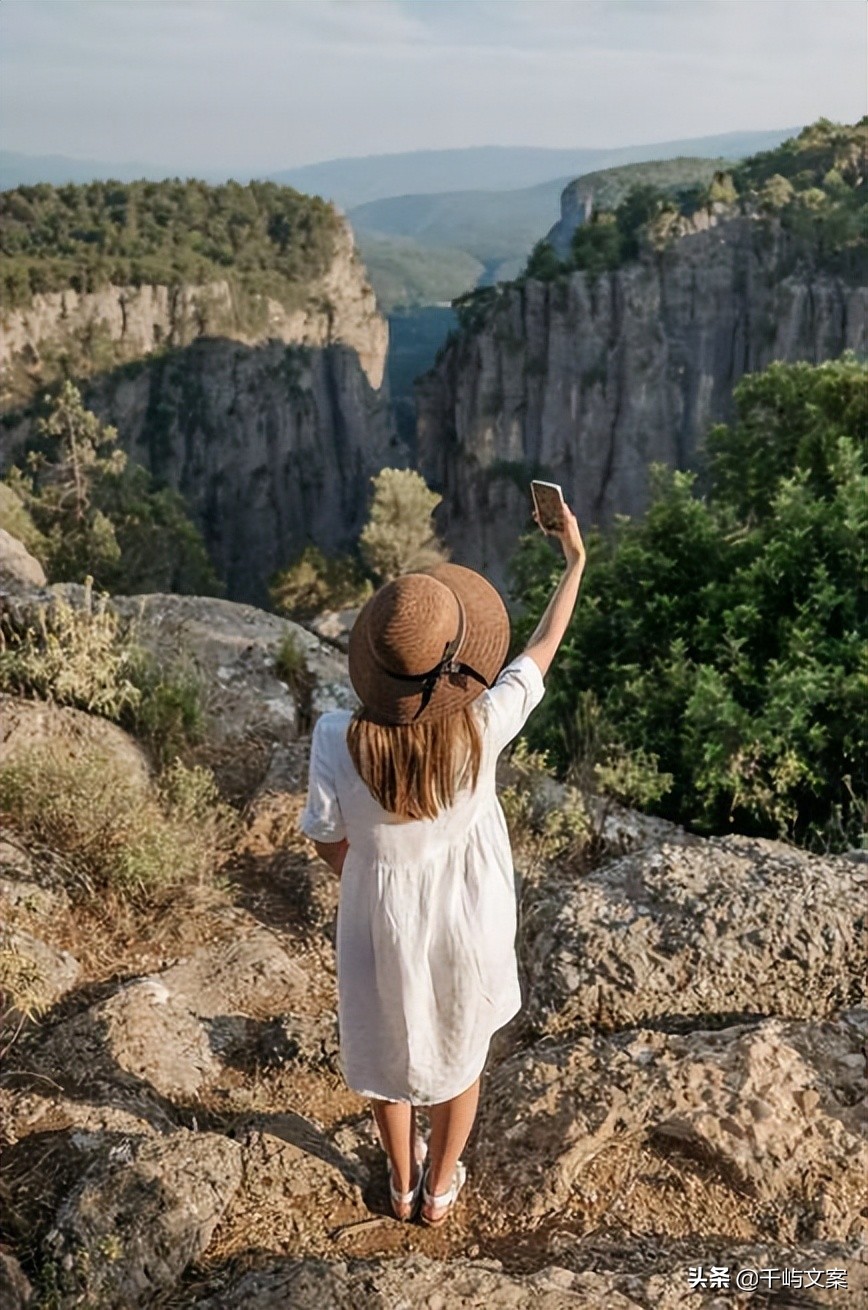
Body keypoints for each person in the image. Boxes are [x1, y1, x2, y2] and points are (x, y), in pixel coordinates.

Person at [298, 500, 586, 1225]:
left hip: (374, 920)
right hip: (468, 915)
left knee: (384, 1052)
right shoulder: (484, 724)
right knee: (463, 1052)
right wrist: (574, 560)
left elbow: (325, 833)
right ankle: (440, 1186)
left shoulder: (337, 737)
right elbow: (542, 650)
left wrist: (366, 879)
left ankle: (400, 1181)